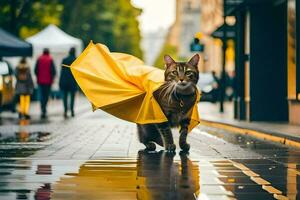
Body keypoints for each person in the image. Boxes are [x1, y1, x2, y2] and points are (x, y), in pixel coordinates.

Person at [34, 48, 56, 119]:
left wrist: (38, 76)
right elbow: (53, 71)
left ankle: (42, 108)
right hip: (48, 81)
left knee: (41, 95)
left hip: (40, 81)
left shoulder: (39, 59)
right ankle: (44, 108)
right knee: (46, 96)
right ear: (48, 52)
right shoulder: (50, 59)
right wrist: (52, 78)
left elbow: (35, 70)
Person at [59, 47, 78, 118]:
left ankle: (65, 110)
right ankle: (72, 110)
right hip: (73, 81)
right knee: (72, 97)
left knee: (65, 96)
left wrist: (60, 81)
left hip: (65, 81)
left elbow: (62, 72)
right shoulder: (76, 60)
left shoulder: (64, 60)